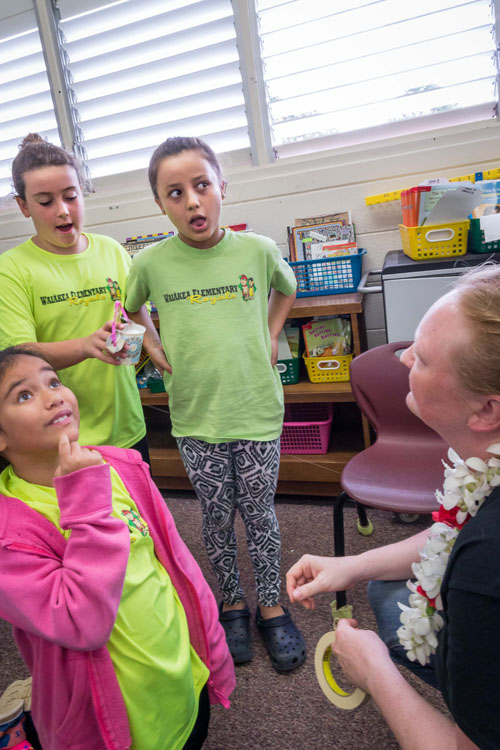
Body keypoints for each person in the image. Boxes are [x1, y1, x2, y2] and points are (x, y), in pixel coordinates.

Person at [287, 264, 500, 750]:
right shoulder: (488, 474)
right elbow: (456, 529)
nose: (403, 357)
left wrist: (376, 674)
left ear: (486, 411)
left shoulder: (486, 571)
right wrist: (352, 565)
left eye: (421, 358)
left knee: (390, 619)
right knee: (386, 593)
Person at [124, 136, 306, 672]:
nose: (193, 202)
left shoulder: (258, 250)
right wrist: (152, 344)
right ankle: (231, 602)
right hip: (196, 416)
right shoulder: (151, 263)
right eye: (175, 193)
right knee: (216, 515)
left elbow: (286, 289)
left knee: (261, 514)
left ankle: (272, 606)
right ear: (161, 204)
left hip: (254, 410)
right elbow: (132, 308)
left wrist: (271, 333)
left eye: (202, 186)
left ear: (221, 187)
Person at [0, 346, 235, 750]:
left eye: (54, 381)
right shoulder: (11, 534)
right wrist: (86, 502)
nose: (54, 395)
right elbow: (82, 623)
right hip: (113, 722)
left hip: (183, 683)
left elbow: (176, 564)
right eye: (24, 394)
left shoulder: (122, 467)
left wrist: (212, 645)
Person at [0, 133, 152, 461]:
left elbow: (137, 315)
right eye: (45, 202)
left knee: (138, 513)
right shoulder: (10, 269)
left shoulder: (112, 250)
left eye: (71, 196)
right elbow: (18, 355)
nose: (63, 211)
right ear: (24, 206)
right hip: (62, 440)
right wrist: (85, 346)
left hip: (128, 427)